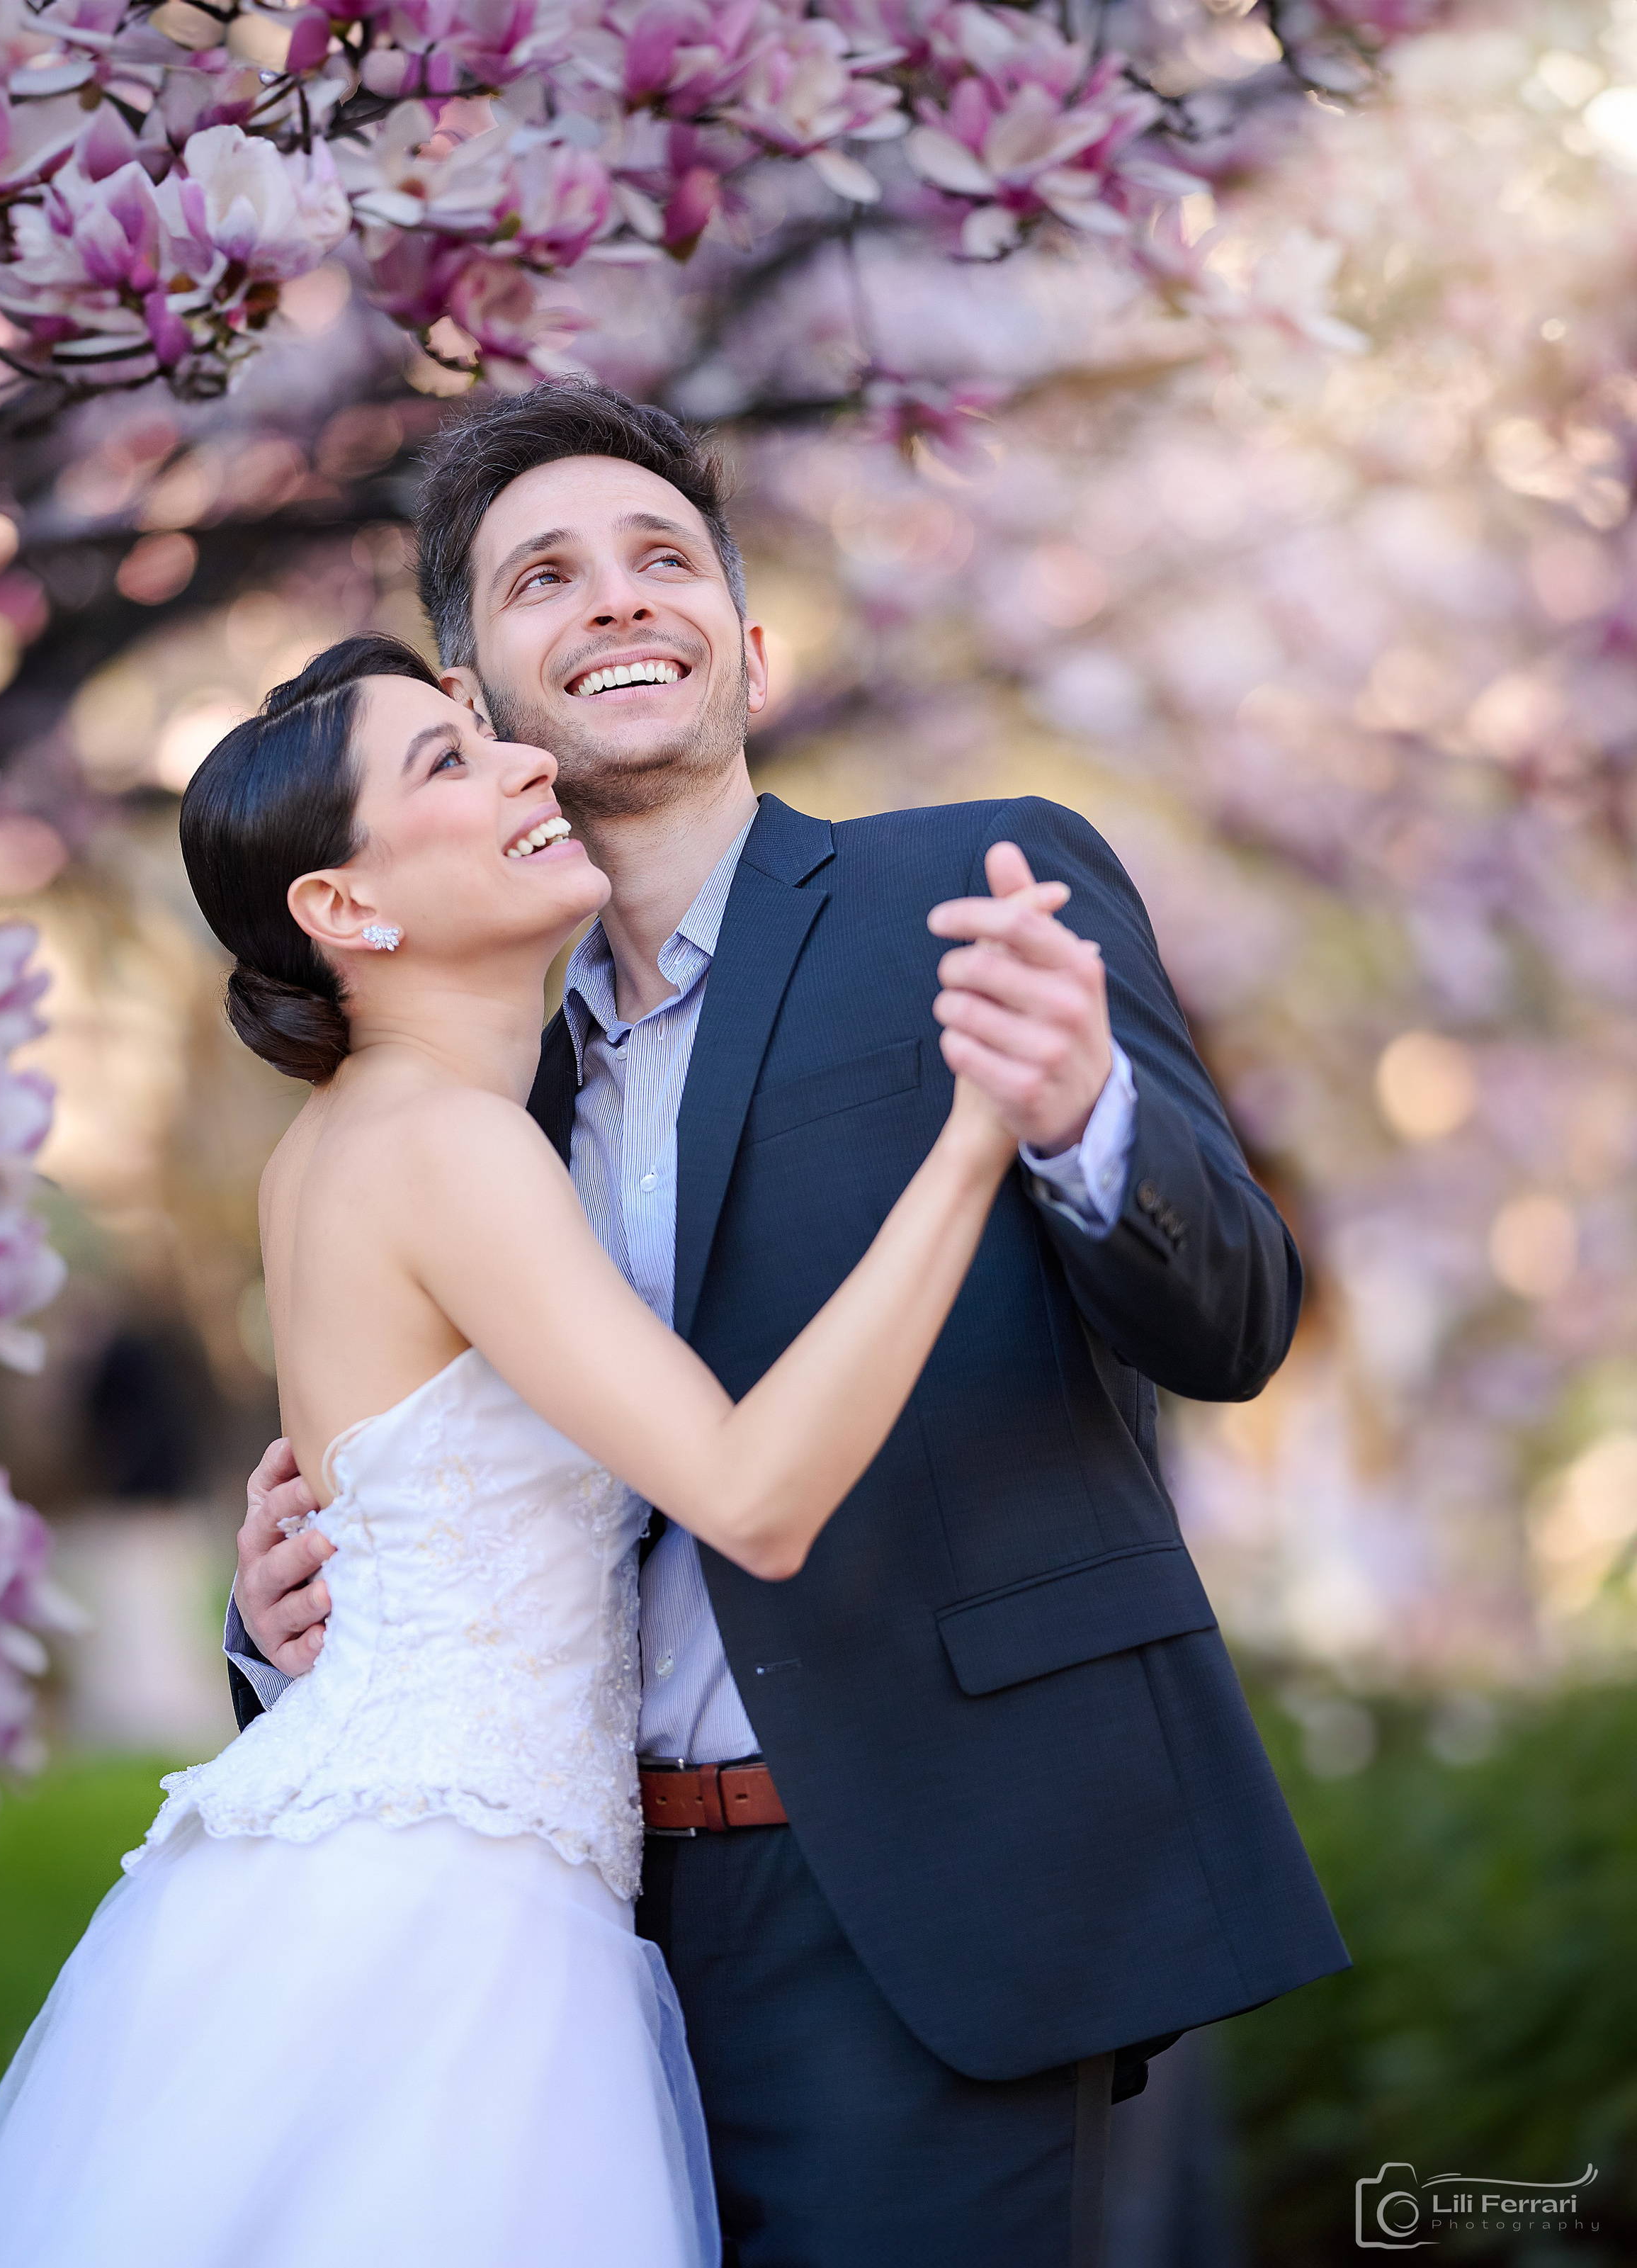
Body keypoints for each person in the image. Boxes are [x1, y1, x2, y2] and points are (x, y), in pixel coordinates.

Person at [230, 383, 1349, 2268]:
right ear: (476, 702)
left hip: (926, 1885)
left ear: (747, 644)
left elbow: (1234, 1321)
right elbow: (410, 1461)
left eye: (666, 559)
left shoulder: (978, 891)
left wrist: (1079, 1120)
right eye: (546, 578)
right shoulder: (455, 1064)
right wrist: (278, 1629)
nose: (621, 600)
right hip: (557, 1931)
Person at [0, 636, 1026, 2268]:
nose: (525, 767)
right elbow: (749, 1493)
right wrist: (975, 1144)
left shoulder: (347, 1142)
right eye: (448, 762)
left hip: (390, 1867)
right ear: (345, 910)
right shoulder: (445, 1142)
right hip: (446, 1918)